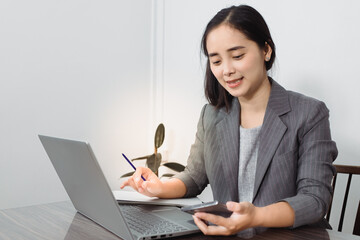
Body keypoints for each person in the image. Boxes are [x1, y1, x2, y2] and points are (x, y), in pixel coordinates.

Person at [121, 5, 338, 237]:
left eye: (237, 56)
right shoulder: (211, 115)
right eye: (216, 61)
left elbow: (314, 200)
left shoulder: (309, 113)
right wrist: (160, 187)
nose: (227, 70)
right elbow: (194, 177)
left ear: (266, 50)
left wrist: (257, 216)